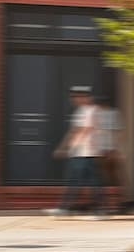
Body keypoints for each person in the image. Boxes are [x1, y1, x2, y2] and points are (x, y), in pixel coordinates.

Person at [45, 86, 106, 220]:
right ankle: (70, 208)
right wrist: (66, 146)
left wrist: (71, 147)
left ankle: (67, 209)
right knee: (88, 181)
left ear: (86, 97)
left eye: (78, 96)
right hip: (82, 151)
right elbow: (74, 130)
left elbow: (84, 130)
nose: (75, 99)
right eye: (74, 96)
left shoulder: (91, 110)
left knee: (81, 181)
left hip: (86, 150)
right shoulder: (82, 110)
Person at [95, 96, 134, 215]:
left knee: (115, 179)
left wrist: (114, 150)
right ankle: (117, 205)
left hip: (110, 152)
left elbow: (118, 133)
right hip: (103, 151)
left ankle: (122, 204)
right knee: (111, 179)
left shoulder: (112, 114)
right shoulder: (99, 114)